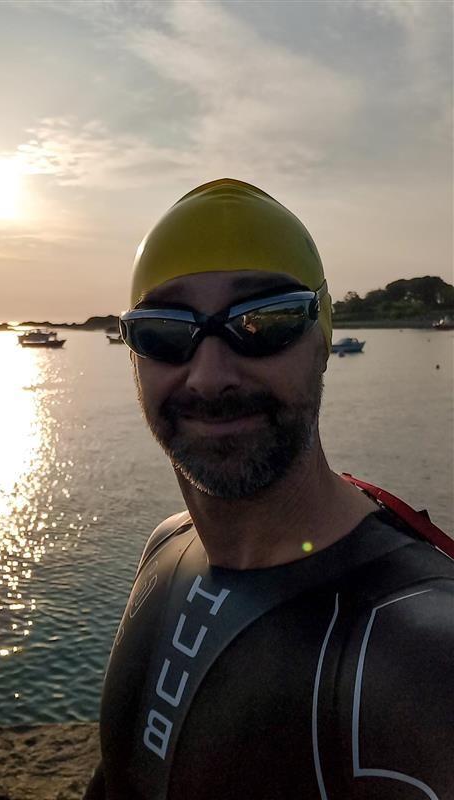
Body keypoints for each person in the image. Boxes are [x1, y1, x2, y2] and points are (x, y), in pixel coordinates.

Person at [84, 179, 454, 800]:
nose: (210, 374)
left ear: (323, 339)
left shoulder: (426, 654)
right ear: (134, 357)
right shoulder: (165, 549)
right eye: (165, 332)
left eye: (265, 321)